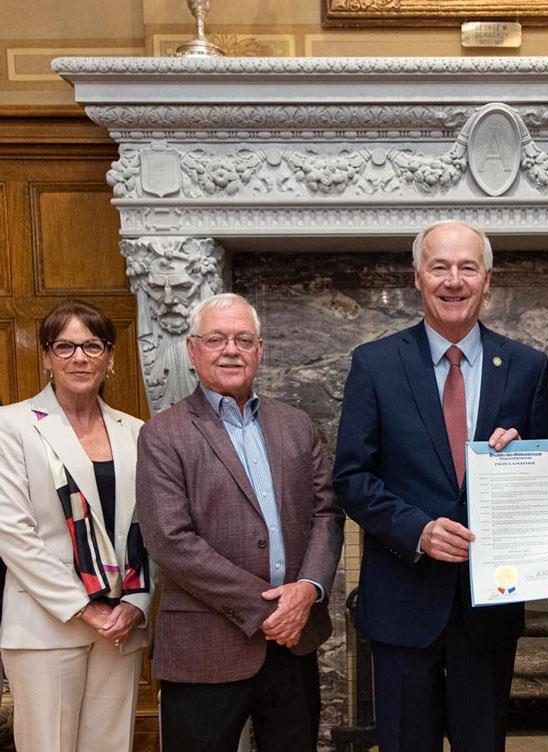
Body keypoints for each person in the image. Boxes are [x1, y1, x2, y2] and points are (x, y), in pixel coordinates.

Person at [333, 220, 548, 752]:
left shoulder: (526, 368)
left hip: (490, 609)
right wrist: (419, 531)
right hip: (403, 606)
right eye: (440, 267)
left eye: (467, 268)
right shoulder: (376, 364)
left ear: (487, 279)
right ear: (417, 277)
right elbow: (351, 477)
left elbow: (542, 487)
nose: (453, 281)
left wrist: (521, 458)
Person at [136, 292, 343, 752]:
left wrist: (307, 589)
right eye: (216, 338)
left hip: (293, 645)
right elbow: (170, 541)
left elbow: (327, 513)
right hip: (204, 648)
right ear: (192, 350)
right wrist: (271, 609)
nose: (231, 349)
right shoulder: (162, 434)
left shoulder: (296, 424)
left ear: (260, 350)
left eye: (243, 339)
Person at [0, 299, 151, 752]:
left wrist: (138, 602)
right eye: (64, 346)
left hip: (120, 624)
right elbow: (13, 533)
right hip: (47, 624)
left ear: (111, 356)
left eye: (92, 345)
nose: (79, 357)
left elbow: (151, 528)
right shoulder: (13, 425)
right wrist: (84, 608)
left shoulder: (137, 432)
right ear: (46, 356)